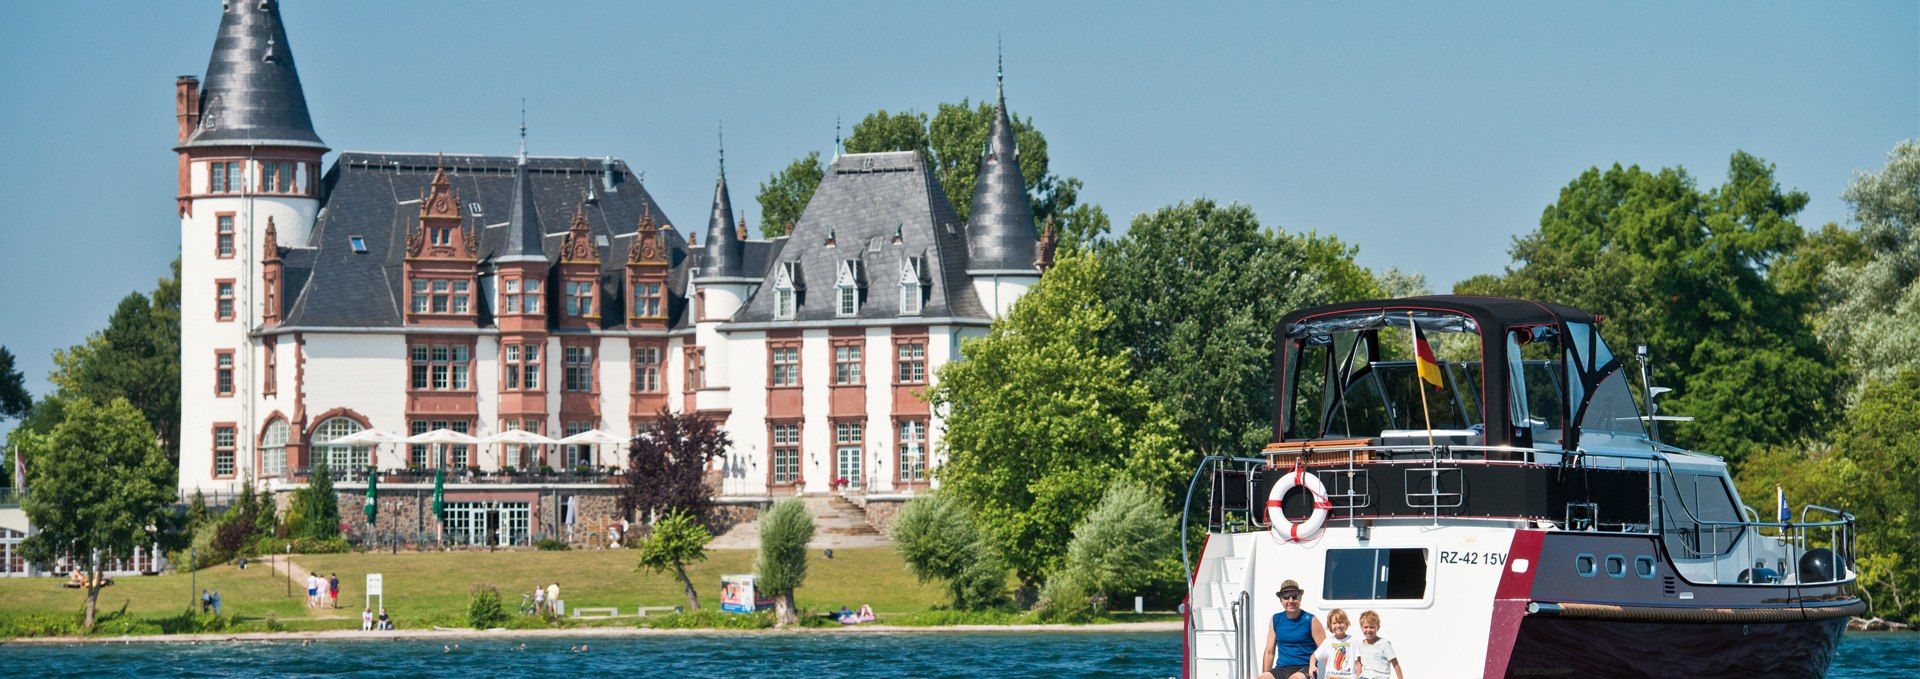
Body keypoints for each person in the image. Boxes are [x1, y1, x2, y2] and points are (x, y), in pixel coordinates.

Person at [1259, 580, 1325, 679]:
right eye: (1286, 597)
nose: (1290, 601)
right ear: (1281, 600)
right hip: (1282, 668)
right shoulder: (1275, 619)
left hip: (1305, 668)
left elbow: (1325, 649)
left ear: (1300, 599)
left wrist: (1314, 665)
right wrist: (1265, 673)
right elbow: (1269, 652)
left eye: (1294, 596)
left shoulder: (1311, 620)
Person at [1353, 610, 1406, 679]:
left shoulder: (1384, 643)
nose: (1368, 630)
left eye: (1372, 627)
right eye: (1366, 627)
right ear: (1361, 628)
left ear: (1378, 627)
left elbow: (1395, 664)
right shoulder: (1360, 645)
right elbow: (1359, 663)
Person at [1308, 609, 1355, 679]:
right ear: (1330, 625)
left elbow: (1359, 662)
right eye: (1334, 623)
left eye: (1341, 622)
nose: (1338, 625)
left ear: (1346, 623)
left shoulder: (1353, 641)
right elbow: (1314, 656)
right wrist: (1312, 666)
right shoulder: (1328, 642)